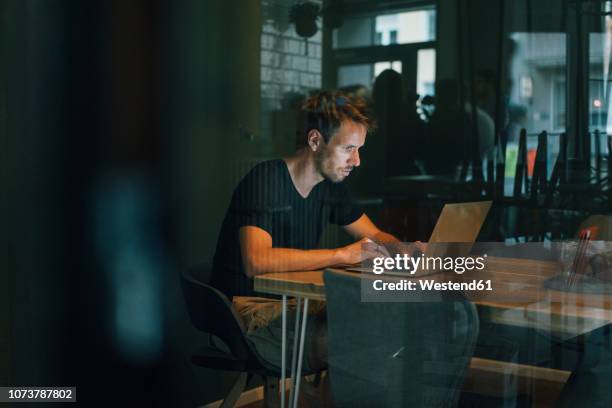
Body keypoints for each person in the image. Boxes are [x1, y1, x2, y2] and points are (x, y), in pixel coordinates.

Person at [211, 90, 407, 371]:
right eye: (349, 149)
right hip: (248, 311)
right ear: (315, 140)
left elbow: (375, 236)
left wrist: (407, 252)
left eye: (359, 149)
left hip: (295, 304)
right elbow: (257, 261)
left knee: (388, 321)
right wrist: (341, 255)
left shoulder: (330, 187)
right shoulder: (265, 180)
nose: (357, 161)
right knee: (362, 340)